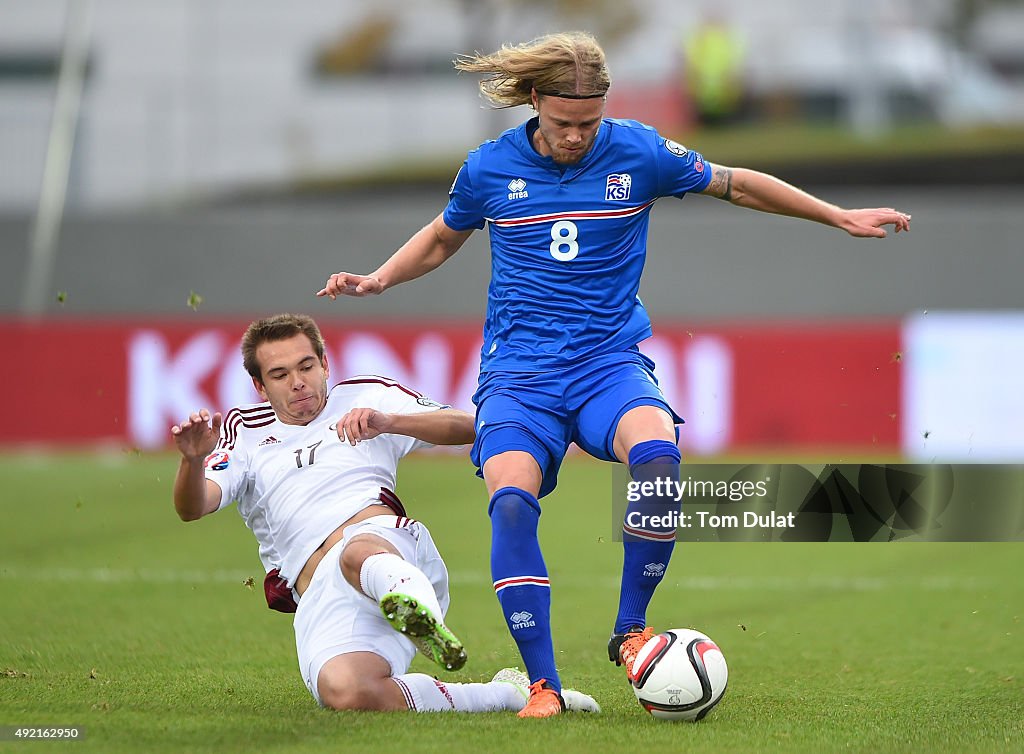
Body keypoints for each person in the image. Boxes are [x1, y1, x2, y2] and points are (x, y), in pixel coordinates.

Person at [317, 31, 911, 718]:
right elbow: (445, 235)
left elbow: (736, 183)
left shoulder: (641, 151)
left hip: (607, 364)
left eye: (589, 123)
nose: (576, 137)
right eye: (564, 124)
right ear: (535, 101)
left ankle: (630, 631)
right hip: (520, 377)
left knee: (658, 455)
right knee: (511, 499)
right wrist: (381, 279)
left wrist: (836, 215)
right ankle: (542, 685)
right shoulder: (488, 168)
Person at [170, 312, 599, 715]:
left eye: (306, 367)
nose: (298, 382)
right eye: (280, 375)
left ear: (324, 363)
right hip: (318, 592)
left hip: (386, 545)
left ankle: (413, 603)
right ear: (260, 387)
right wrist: (191, 461)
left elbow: (471, 427)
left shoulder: (366, 396)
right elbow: (194, 507)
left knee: (354, 551)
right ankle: (507, 693)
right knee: (348, 692)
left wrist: (390, 422)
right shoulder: (243, 431)